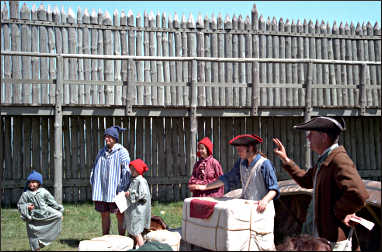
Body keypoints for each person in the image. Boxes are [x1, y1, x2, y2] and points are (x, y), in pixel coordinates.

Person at [272, 116, 369, 251]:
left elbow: (359, 194)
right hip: (323, 236)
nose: (308, 137)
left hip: (334, 237)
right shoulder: (325, 160)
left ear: (323, 137)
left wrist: (338, 211)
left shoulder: (339, 159)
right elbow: (306, 180)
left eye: (311, 134)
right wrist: (286, 159)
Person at [189, 134, 280, 250]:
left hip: (262, 211)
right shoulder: (241, 163)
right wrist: (204, 187)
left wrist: (265, 201)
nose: (238, 152)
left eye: (240, 149)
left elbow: (274, 188)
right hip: (247, 210)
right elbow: (227, 178)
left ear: (250, 148)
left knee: (262, 245)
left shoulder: (265, 164)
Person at [90, 125, 131, 236]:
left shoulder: (122, 152)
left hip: (117, 190)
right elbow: (95, 168)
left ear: (115, 138)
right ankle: (106, 238)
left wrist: (121, 187)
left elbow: (127, 171)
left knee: (120, 214)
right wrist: (93, 182)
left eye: (110, 137)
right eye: (106, 136)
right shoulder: (101, 152)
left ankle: (122, 239)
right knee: (104, 214)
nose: (107, 139)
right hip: (102, 191)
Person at [17, 170, 64, 251]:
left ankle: (43, 241)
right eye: (30, 182)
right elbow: (20, 204)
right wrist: (27, 207)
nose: (32, 184)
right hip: (33, 217)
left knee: (58, 216)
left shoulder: (43, 192)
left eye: (34, 182)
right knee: (32, 233)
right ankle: (36, 248)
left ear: (39, 183)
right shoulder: (26, 194)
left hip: (45, 214)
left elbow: (52, 201)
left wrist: (59, 209)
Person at [124, 159, 151, 248]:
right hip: (134, 210)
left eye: (132, 170)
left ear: (138, 170)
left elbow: (143, 194)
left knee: (137, 231)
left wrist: (130, 193)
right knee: (134, 230)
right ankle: (135, 247)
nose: (131, 172)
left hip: (139, 210)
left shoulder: (141, 181)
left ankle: (142, 248)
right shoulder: (135, 180)